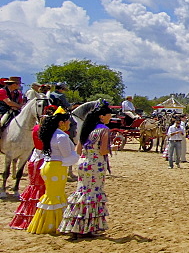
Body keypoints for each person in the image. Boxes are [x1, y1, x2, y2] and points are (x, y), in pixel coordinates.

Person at [59, 102, 113, 239]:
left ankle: (75, 225)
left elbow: (78, 150)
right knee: (93, 194)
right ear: (102, 116)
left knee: (82, 192)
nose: (110, 117)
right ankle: (87, 227)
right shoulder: (104, 130)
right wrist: (112, 149)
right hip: (96, 164)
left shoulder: (86, 128)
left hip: (84, 162)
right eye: (108, 115)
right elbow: (103, 150)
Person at [26, 109, 77, 235]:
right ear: (61, 123)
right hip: (56, 167)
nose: (69, 123)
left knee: (51, 195)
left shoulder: (51, 134)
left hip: (49, 166)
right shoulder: (61, 136)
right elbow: (66, 155)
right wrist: (77, 156)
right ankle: (54, 224)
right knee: (55, 196)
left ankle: (48, 223)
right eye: (67, 121)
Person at [10, 107, 51, 229]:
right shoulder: (46, 130)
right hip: (10, 109)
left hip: (34, 157)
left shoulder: (35, 128)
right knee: (3, 121)